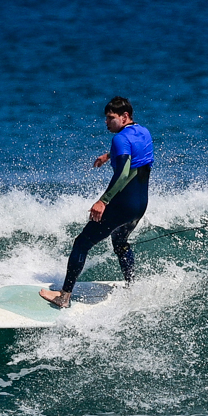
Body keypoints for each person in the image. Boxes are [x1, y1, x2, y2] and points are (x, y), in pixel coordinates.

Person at [40, 97, 153, 308]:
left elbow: (123, 174)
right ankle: (132, 286)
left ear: (125, 116)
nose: (106, 122)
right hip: (140, 206)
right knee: (120, 242)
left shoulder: (119, 139)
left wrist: (103, 201)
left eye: (111, 118)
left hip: (122, 205)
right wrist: (109, 156)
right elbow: (133, 153)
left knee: (81, 243)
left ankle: (64, 297)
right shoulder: (143, 132)